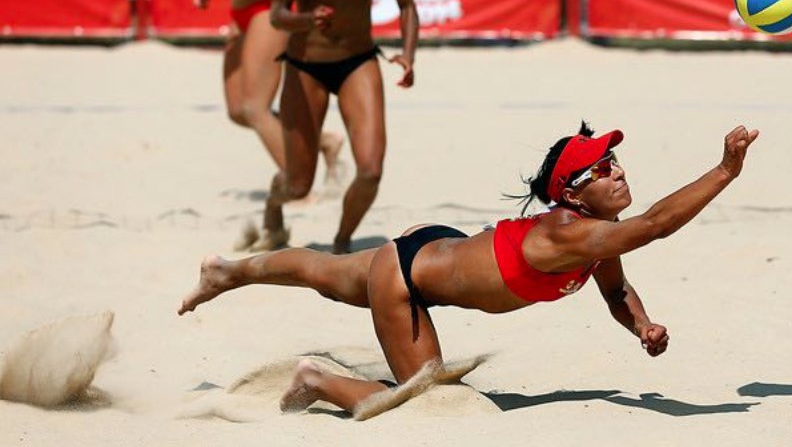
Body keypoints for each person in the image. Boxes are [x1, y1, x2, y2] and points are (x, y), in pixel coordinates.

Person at [179, 123, 759, 417]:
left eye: (614, 160)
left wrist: (643, 326)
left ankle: (230, 270)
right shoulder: (568, 231)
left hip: (437, 246)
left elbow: (617, 290)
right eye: (603, 167)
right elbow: (656, 224)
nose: (619, 171)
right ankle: (316, 379)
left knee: (324, 273)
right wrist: (725, 170)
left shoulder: (595, 243)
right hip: (406, 280)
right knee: (419, 397)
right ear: (574, 195)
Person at [262, 0, 419, 253]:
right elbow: (277, 14)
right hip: (306, 65)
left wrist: (409, 54)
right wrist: (306, 20)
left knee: (370, 170)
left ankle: (342, 241)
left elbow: (407, 4)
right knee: (299, 185)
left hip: (358, 59)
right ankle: (273, 204)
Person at [193, 0, 344, 250]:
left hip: (270, 9)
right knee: (236, 110)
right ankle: (322, 142)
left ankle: (298, 185)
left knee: (255, 107)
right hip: (240, 10)